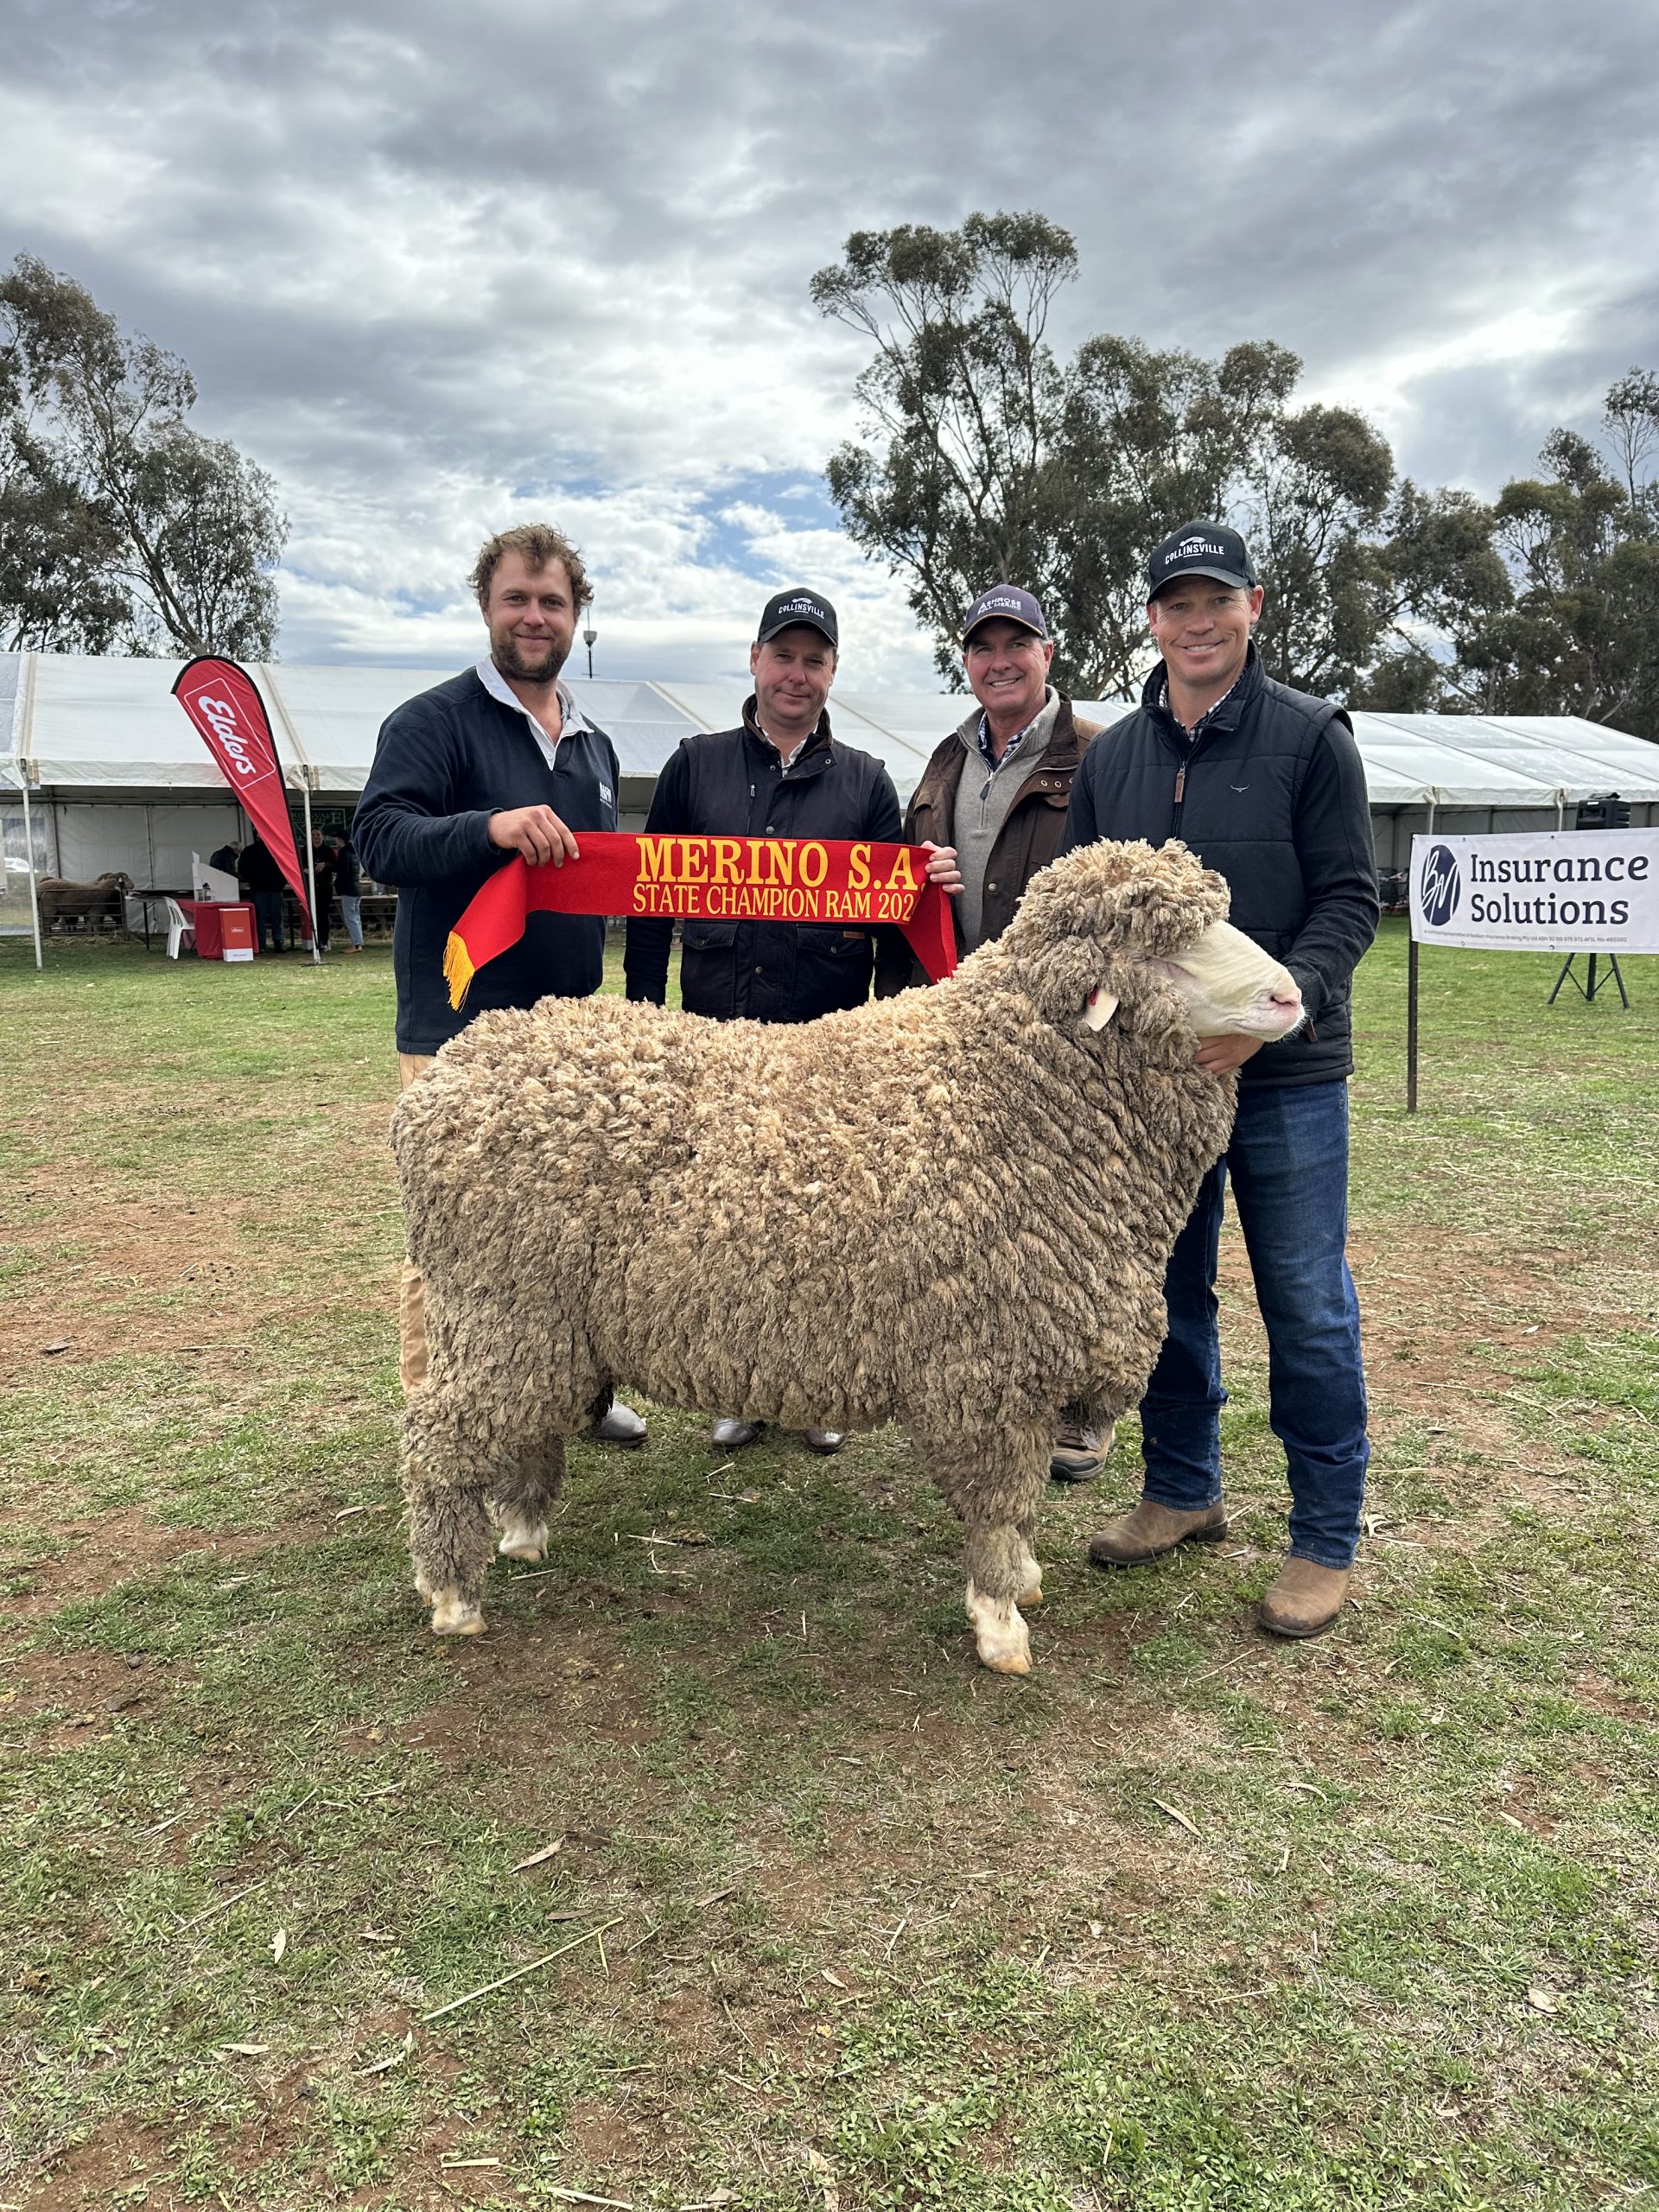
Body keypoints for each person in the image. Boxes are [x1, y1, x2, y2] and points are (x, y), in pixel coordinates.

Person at [1058, 519, 1379, 1639]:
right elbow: (1090, 929)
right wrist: (1099, 1035)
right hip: (1155, 1091)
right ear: (1151, 619)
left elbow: (1351, 900)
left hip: (1285, 1082)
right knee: (1168, 1295)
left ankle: (1324, 1538)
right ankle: (1183, 1488)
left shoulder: (1311, 737)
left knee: (1305, 1304)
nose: (1197, 623)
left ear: (1253, 607)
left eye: (1216, 602)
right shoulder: (1111, 760)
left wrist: (1268, 1018)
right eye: (1176, 605)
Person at [624, 586, 962, 1456]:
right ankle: (740, 1383)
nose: (797, 675)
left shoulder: (865, 782)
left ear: (832, 672)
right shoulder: (693, 766)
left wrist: (884, 1028)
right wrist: (642, 1021)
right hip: (716, 1040)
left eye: (815, 661)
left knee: (826, 1228)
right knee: (731, 1224)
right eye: (784, 656)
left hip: (827, 1049)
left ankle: (822, 1388)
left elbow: (893, 918)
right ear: (755, 660)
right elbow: (647, 904)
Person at [353, 521, 647, 1446]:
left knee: (576, 1226)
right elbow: (380, 839)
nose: (534, 616)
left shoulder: (593, 746)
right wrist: (488, 828)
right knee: (452, 1241)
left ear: (576, 615)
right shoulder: (431, 722)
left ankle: (576, 1394)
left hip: (565, 1042)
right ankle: (441, 1420)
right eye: (517, 598)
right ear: (486, 605)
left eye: (552, 601)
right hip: (457, 1030)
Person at [875, 582, 1107, 1484]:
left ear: (1048, 653)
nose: (1000, 659)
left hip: (1062, 1038)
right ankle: (994, 1384)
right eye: (983, 646)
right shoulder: (941, 761)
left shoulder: (1097, 755)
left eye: (1019, 643)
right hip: (958, 1026)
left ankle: (1082, 1410)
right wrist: (915, 872)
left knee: (1077, 1226)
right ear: (966, 661)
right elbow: (898, 890)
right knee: (989, 1225)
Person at [239, 834, 288, 953]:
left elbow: (242, 869)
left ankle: (262, 945)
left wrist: (252, 881)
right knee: (276, 918)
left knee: (260, 919)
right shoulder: (277, 849)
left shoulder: (250, 850)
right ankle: (278, 943)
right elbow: (286, 867)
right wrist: (281, 882)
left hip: (261, 889)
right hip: (272, 889)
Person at [333, 836, 365, 950]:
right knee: (356, 917)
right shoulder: (354, 852)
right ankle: (359, 942)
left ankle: (356, 944)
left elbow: (342, 872)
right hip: (356, 888)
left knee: (350, 917)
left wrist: (337, 886)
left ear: (340, 839)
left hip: (348, 890)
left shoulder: (344, 853)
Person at [308, 829, 336, 952]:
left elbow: (337, 866)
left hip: (325, 887)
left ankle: (324, 941)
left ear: (322, 836)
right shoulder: (306, 850)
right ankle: (313, 941)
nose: (316, 837)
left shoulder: (329, 850)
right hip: (311, 887)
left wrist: (326, 865)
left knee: (324, 915)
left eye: (318, 835)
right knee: (313, 915)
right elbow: (298, 864)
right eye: (313, 835)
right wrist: (305, 869)